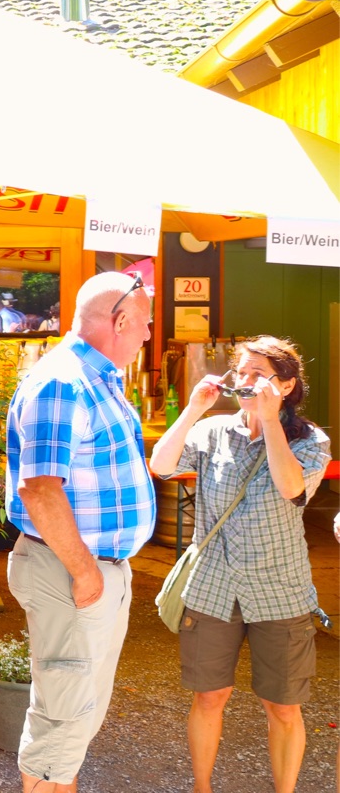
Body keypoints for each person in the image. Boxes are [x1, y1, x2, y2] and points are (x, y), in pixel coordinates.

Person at [149, 336, 330, 793]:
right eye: (241, 372)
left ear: (286, 386)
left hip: (280, 590)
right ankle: (202, 788)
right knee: (209, 696)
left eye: (258, 374)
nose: (246, 381)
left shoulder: (311, 441)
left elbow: (291, 488)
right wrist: (194, 408)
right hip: (213, 586)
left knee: (283, 706)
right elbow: (162, 465)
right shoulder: (213, 431)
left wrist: (268, 422)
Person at [5, 271, 156, 791]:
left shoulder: (95, 378)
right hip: (71, 572)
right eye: (145, 323)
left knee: (76, 719)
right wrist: (86, 571)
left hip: (89, 571)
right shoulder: (63, 381)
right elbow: (40, 489)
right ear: (120, 320)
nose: (149, 334)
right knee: (62, 723)